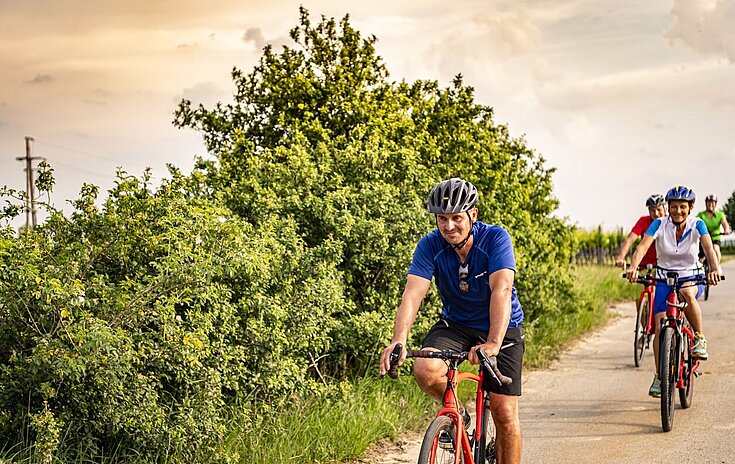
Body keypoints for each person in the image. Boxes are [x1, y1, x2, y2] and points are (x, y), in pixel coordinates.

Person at [379, 177, 524, 464]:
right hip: (456, 324)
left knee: (504, 413)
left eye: (456, 218)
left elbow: (502, 289)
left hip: (501, 328)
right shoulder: (430, 245)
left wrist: (494, 342)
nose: (449, 226)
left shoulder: (495, 239)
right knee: (425, 369)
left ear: (473, 215)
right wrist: (399, 340)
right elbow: (412, 294)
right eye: (442, 219)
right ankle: (458, 413)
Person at [626, 186, 721, 397]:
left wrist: (714, 269)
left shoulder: (698, 224)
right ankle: (660, 377)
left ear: (690, 208)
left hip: (690, 275)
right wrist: (633, 267)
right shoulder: (659, 224)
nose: (678, 211)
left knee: (687, 293)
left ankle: (699, 338)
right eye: (674, 207)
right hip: (664, 278)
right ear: (668, 208)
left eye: (682, 207)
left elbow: (707, 246)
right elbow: (642, 247)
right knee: (660, 326)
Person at [615, 193, 667, 268]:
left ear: (665, 209)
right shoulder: (643, 221)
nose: (656, 213)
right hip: (644, 266)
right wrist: (620, 257)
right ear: (649, 211)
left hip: (664, 267)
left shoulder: (670, 223)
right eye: (653, 210)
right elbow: (629, 240)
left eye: (659, 210)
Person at [697, 194, 731, 273]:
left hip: (715, 237)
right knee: (700, 258)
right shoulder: (701, 215)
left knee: (716, 249)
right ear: (706, 204)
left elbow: (725, 224)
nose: (710, 205)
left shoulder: (719, 215)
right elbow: (695, 223)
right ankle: (700, 272)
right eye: (709, 203)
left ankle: (717, 266)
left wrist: (726, 230)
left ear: (715, 204)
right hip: (704, 238)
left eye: (712, 203)